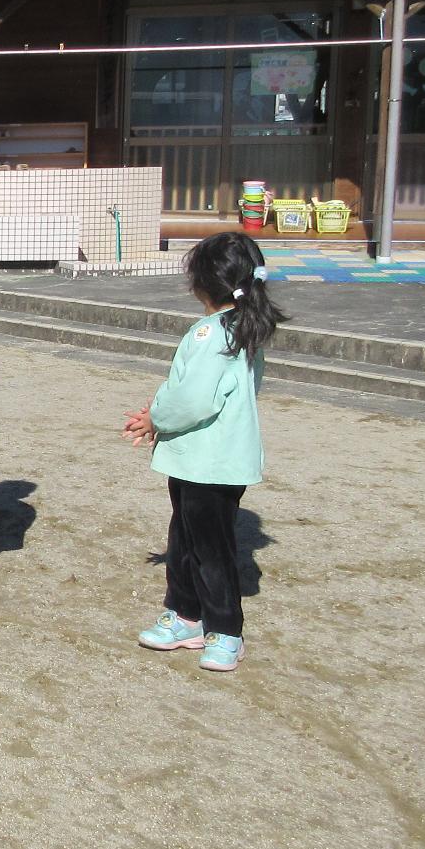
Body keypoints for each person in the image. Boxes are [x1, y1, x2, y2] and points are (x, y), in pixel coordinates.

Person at [124, 231, 285, 674]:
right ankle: (185, 615)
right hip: (220, 458)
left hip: (205, 460)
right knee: (187, 538)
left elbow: (193, 399)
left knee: (208, 547)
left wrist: (155, 416)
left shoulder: (211, 333)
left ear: (202, 283)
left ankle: (225, 630)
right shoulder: (247, 328)